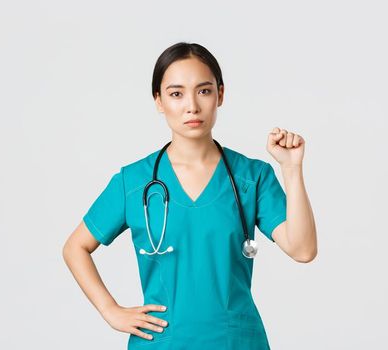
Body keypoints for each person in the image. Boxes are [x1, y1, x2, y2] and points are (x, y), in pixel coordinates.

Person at [62, 42, 318, 349]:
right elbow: (75, 247)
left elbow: (303, 250)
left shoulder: (252, 177)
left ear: (220, 95)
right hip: (162, 342)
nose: (192, 106)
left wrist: (292, 169)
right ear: (158, 101)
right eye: (176, 93)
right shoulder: (134, 182)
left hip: (235, 341)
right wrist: (110, 309)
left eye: (204, 91)